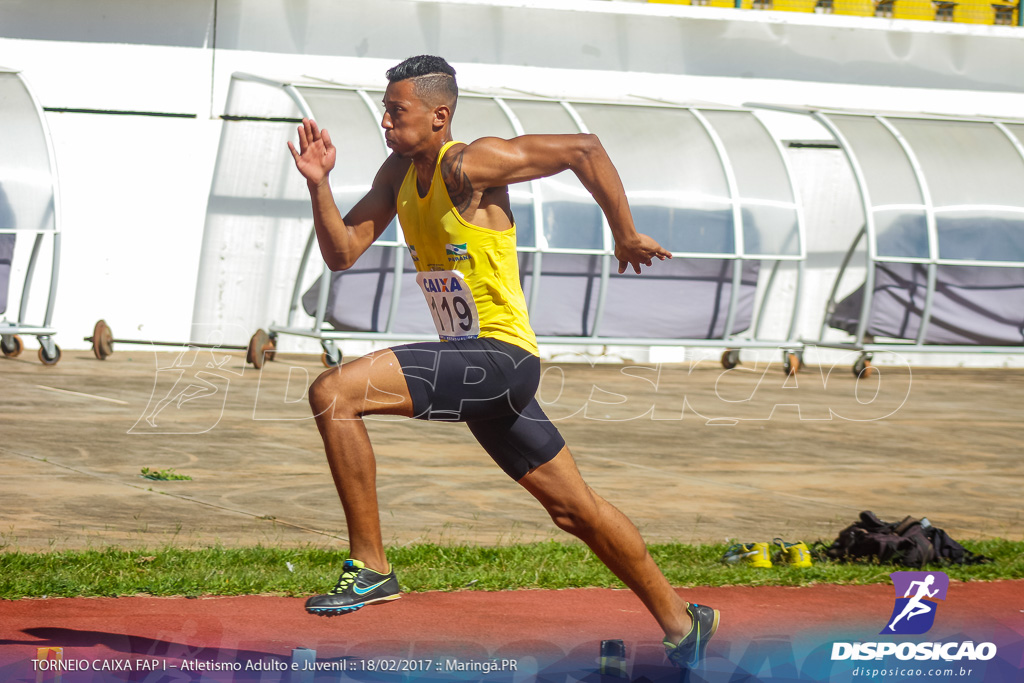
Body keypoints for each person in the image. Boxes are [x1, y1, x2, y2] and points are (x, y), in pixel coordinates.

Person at [288, 54, 719, 669]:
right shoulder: (398, 173)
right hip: (481, 366)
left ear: (439, 116)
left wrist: (623, 231)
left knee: (335, 393)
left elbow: (585, 149)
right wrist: (318, 183)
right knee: (576, 510)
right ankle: (684, 622)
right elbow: (342, 251)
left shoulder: (471, 162)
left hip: (497, 357)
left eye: (396, 111)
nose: (385, 122)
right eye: (384, 111)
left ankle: (372, 567)